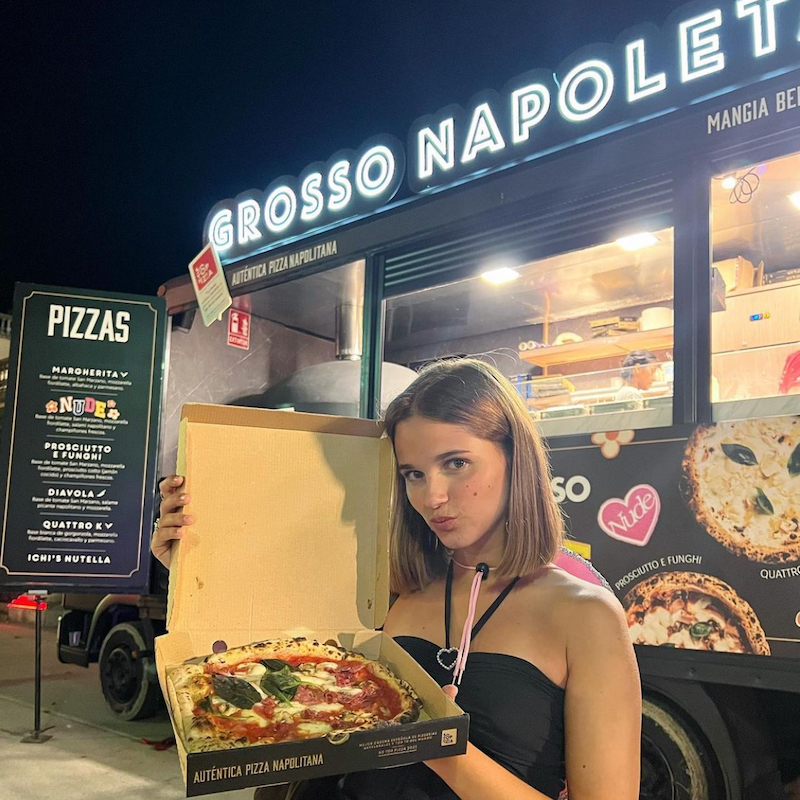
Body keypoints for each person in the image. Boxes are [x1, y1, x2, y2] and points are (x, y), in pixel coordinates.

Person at [153, 358, 641, 800]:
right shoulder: (392, 587)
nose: (432, 498)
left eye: (455, 464)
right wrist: (194, 560)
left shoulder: (586, 616)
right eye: (413, 474)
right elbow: (270, 654)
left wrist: (433, 739)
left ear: (516, 458)